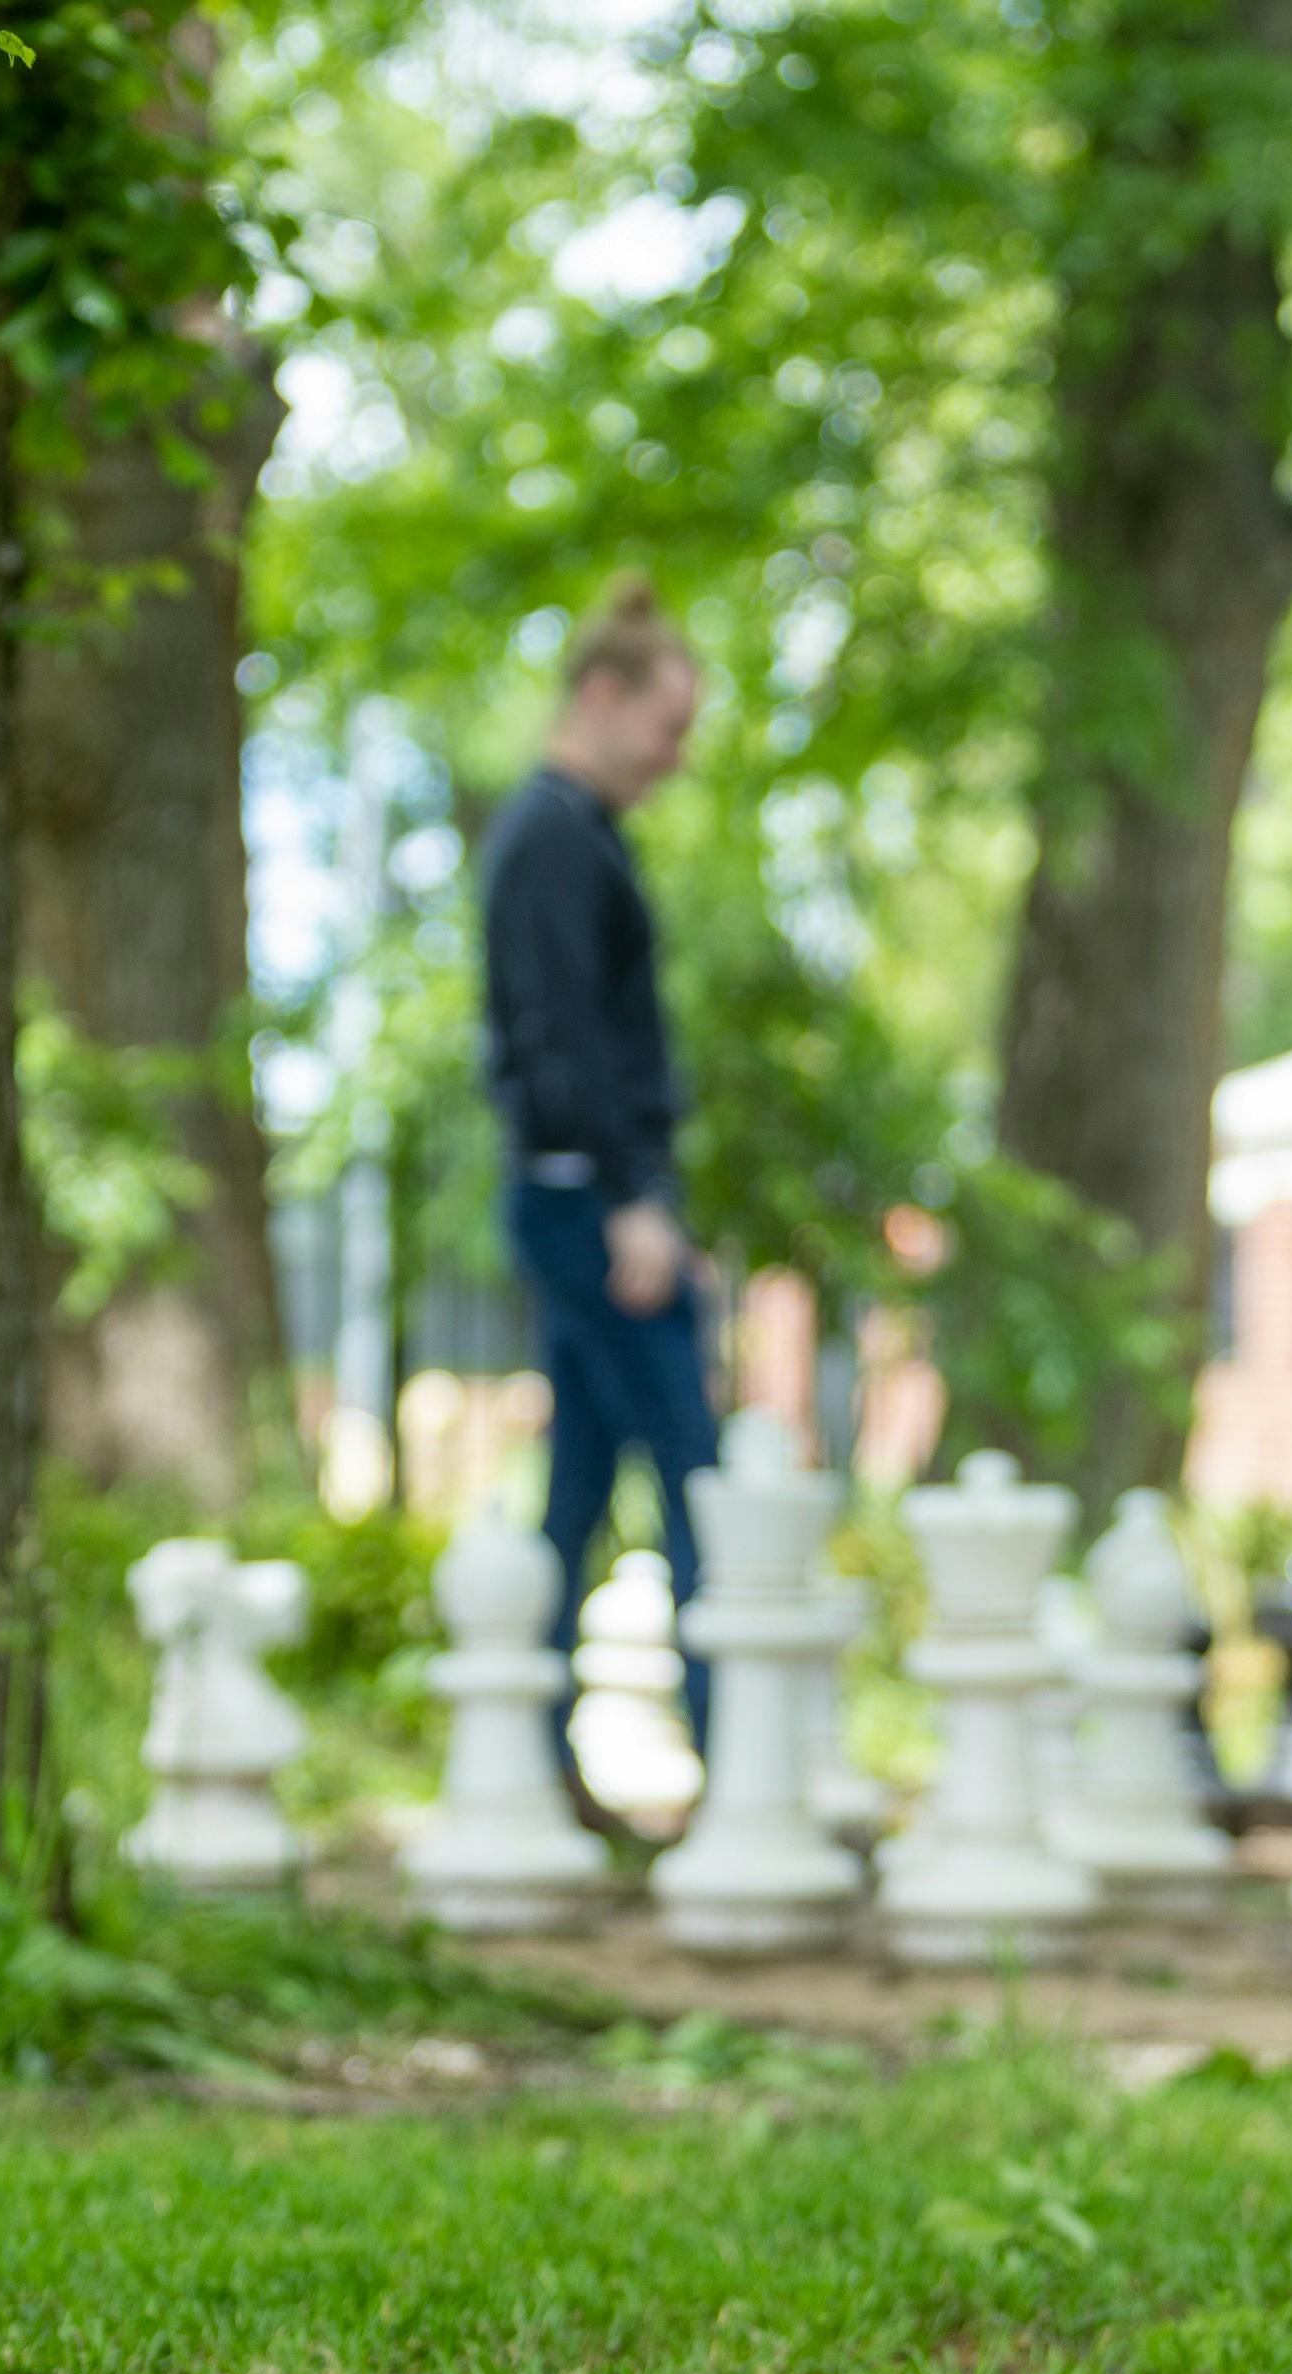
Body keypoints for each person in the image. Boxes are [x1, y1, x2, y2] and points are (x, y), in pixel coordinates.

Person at [480, 577, 719, 1820]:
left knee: (577, 1485)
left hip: (602, 1198)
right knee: (696, 1473)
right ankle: (741, 1767)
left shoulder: (580, 833)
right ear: (602, 695)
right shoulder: (551, 836)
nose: (676, 758)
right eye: (667, 728)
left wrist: (660, 1203)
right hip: (584, 1200)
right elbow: (563, 1043)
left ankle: (527, 1760)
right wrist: (635, 1203)